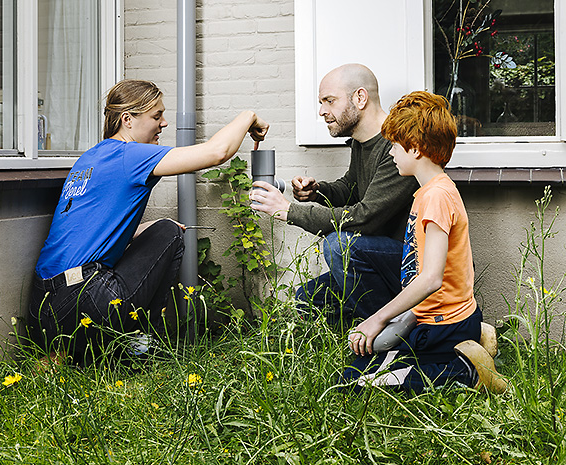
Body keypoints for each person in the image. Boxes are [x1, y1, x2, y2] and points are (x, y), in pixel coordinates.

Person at [28, 79, 268, 365]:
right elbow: (217, 152)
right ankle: (136, 347)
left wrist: (148, 229)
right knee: (169, 232)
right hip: (86, 300)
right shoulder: (129, 155)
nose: (164, 123)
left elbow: (91, 231)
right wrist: (248, 115)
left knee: (161, 227)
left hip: (42, 309)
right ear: (127, 120)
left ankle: (65, 354)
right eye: (156, 116)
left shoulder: (90, 158)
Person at [342, 91, 507, 394]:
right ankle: (474, 340)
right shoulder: (432, 191)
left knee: (355, 381)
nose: (391, 152)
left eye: (394, 144)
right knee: (359, 363)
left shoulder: (435, 197)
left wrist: (378, 318)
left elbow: (431, 279)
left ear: (415, 149)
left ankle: (468, 371)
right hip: (434, 319)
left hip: (442, 325)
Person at [250, 64, 418, 328]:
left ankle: (389, 336)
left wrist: (288, 211)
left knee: (339, 245)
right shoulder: (363, 143)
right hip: (380, 259)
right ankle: (359, 337)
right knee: (307, 299)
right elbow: (352, 188)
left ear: (360, 98)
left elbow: (365, 218)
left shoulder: (399, 145)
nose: (322, 111)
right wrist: (319, 192)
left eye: (329, 101)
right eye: (321, 102)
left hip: (412, 266)